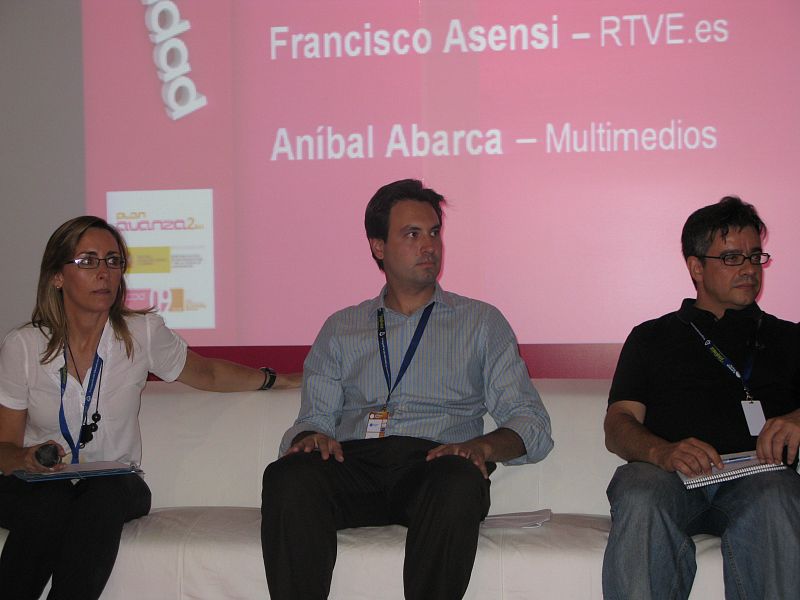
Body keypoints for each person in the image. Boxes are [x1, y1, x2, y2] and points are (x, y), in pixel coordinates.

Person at [260, 178, 553, 600]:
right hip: (355, 463)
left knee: (459, 480)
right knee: (288, 475)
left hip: (435, 463)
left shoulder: (481, 323)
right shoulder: (341, 327)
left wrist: (482, 448)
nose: (429, 246)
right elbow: (313, 419)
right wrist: (310, 437)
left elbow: (532, 423)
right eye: (412, 234)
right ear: (378, 246)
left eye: (434, 232)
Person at [0, 215, 301, 600]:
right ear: (57, 276)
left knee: (103, 495)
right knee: (51, 502)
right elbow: (5, 449)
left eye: (113, 261)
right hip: (40, 486)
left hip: (115, 484)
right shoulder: (23, 347)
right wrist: (26, 458)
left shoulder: (140, 333)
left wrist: (277, 380)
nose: (104, 272)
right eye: (88, 261)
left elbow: (206, 373)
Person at [602, 196, 800, 599]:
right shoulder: (651, 337)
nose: (749, 268)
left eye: (755, 256)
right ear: (696, 267)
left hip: (758, 476)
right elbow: (618, 423)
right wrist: (661, 452)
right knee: (639, 490)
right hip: (669, 476)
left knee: (777, 493)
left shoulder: (789, 338)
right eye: (731, 258)